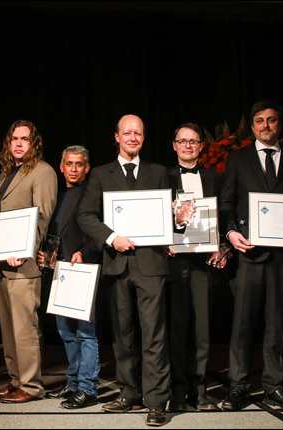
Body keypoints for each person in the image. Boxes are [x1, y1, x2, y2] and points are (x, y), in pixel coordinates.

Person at [77, 114, 192, 426]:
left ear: (143, 138)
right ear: (117, 137)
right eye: (127, 133)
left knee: (154, 335)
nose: (132, 138)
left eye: (138, 133)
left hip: (152, 264)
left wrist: (180, 220)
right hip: (117, 265)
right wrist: (112, 238)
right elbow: (85, 215)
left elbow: (172, 219)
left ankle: (156, 402)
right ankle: (129, 393)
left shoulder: (160, 172)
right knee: (123, 335)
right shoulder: (100, 174)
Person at [219, 101, 283, 413]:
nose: (266, 126)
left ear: (279, 125)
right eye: (260, 121)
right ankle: (238, 388)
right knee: (243, 325)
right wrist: (230, 233)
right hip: (248, 255)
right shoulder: (238, 158)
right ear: (252, 127)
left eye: (271, 120)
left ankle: (275, 388)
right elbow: (227, 202)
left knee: (277, 326)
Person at [0, 120, 57, 404]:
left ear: (33, 143)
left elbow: (42, 217)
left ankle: (31, 385)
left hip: (22, 264)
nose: (18, 143)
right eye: (14, 139)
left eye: (24, 139)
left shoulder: (43, 171)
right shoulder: (7, 173)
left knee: (25, 328)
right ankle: (16, 380)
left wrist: (25, 250)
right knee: (8, 327)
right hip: (1, 263)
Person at [165, 123, 227, 413]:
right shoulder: (162, 177)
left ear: (201, 146)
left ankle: (199, 391)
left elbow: (225, 216)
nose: (188, 146)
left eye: (193, 141)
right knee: (177, 329)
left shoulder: (216, 178)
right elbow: (154, 216)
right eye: (183, 141)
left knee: (202, 329)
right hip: (174, 261)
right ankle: (178, 392)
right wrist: (164, 240)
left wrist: (222, 245)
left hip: (204, 262)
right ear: (174, 145)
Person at [37, 145, 102, 409]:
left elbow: (100, 231)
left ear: (87, 168)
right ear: (61, 167)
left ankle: (88, 388)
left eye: (79, 164)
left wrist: (83, 252)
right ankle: (73, 383)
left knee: (85, 333)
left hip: (82, 270)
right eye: (69, 164)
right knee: (65, 331)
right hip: (58, 271)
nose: (74, 169)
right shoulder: (57, 195)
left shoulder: (92, 194)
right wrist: (45, 254)